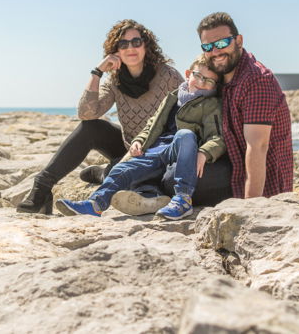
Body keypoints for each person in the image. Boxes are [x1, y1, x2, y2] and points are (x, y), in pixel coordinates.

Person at [16, 19, 183, 214]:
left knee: (122, 171)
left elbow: (189, 110)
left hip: (161, 150)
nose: (130, 48)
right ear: (115, 51)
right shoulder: (114, 80)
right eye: (123, 44)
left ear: (146, 45)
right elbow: (86, 113)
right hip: (130, 147)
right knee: (91, 128)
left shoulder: (167, 75)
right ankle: (41, 188)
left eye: (136, 42)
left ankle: (102, 173)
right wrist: (97, 72)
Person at [54, 56, 226, 220]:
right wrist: (139, 141)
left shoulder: (211, 105)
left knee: (185, 134)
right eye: (198, 76)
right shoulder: (172, 97)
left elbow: (218, 136)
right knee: (123, 168)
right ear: (188, 74)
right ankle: (95, 204)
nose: (202, 83)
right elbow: (152, 124)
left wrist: (205, 152)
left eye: (209, 81)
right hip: (157, 148)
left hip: (180, 149)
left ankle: (183, 199)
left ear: (214, 86)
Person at [197, 12, 293, 198]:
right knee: (173, 169)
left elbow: (258, 146)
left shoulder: (257, 80)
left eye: (222, 43)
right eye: (208, 46)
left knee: (173, 180)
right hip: (231, 167)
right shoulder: (220, 78)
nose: (216, 51)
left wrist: (250, 208)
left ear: (238, 41)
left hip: (262, 185)